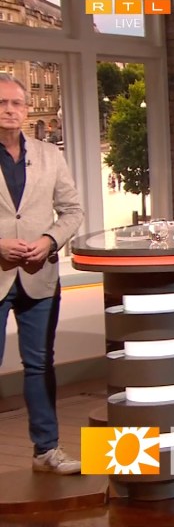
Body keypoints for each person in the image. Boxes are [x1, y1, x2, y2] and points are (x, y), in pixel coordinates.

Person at [0, 73, 84, 474]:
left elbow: (72, 211)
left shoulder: (49, 155)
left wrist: (50, 240)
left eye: (16, 103)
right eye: (1, 103)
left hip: (39, 275)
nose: (9, 110)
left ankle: (46, 451)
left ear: (27, 108)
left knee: (39, 365)